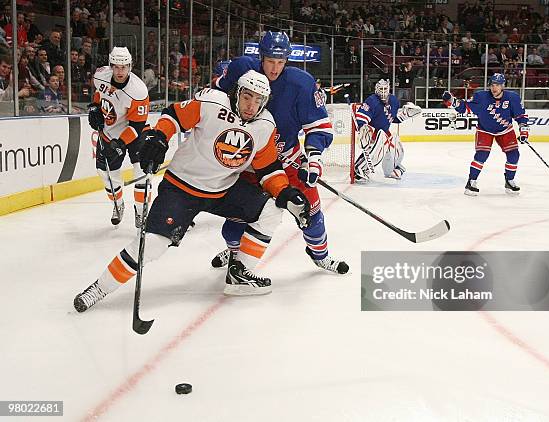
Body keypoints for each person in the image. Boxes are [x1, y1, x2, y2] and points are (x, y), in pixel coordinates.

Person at [73, 71, 311, 310]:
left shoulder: (265, 125)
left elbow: (268, 169)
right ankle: (98, 288)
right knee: (153, 243)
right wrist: (159, 136)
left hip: (223, 189)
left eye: (259, 100)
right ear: (236, 93)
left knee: (272, 209)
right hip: (181, 187)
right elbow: (174, 116)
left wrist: (284, 192)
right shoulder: (211, 102)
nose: (252, 106)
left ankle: (240, 274)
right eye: (247, 97)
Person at [212, 31, 348, 274]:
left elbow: (318, 126)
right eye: (270, 61)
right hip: (250, 163)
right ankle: (236, 253)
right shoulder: (242, 70)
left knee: (311, 215)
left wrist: (314, 158)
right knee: (233, 224)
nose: (275, 69)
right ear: (261, 57)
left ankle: (320, 256)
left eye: (281, 62)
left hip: (289, 161)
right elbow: (216, 96)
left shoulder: (301, 83)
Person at [88, 46, 150, 227]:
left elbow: (137, 125)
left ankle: (141, 212)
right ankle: (118, 204)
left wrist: (121, 143)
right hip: (110, 131)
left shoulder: (138, 91)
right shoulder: (100, 75)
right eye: (116, 67)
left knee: (142, 172)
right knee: (105, 173)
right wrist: (94, 106)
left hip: (136, 132)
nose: (120, 71)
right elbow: (99, 94)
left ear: (130, 66)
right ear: (110, 66)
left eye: (123, 67)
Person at [442, 73, 529, 196]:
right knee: (482, 155)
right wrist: (452, 101)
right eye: (492, 85)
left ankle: (509, 181)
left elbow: (520, 115)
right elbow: (465, 107)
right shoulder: (481, 97)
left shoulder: (512, 97)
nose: (494, 88)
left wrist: (524, 130)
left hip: (505, 130)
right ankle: (471, 182)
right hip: (485, 129)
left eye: (497, 85)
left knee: (514, 155)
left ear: (503, 86)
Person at [353, 79, 422, 181]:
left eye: (385, 89)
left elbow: (393, 118)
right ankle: (360, 168)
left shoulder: (393, 101)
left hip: (385, 131)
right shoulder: (372, 100)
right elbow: (362, 117)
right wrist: (363, 128)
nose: (383, 91)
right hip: (374, 132)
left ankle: (392, 168)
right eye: (381, 89)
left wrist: (406, 115)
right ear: (376, 89)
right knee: (380, 142)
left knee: (397, 144)